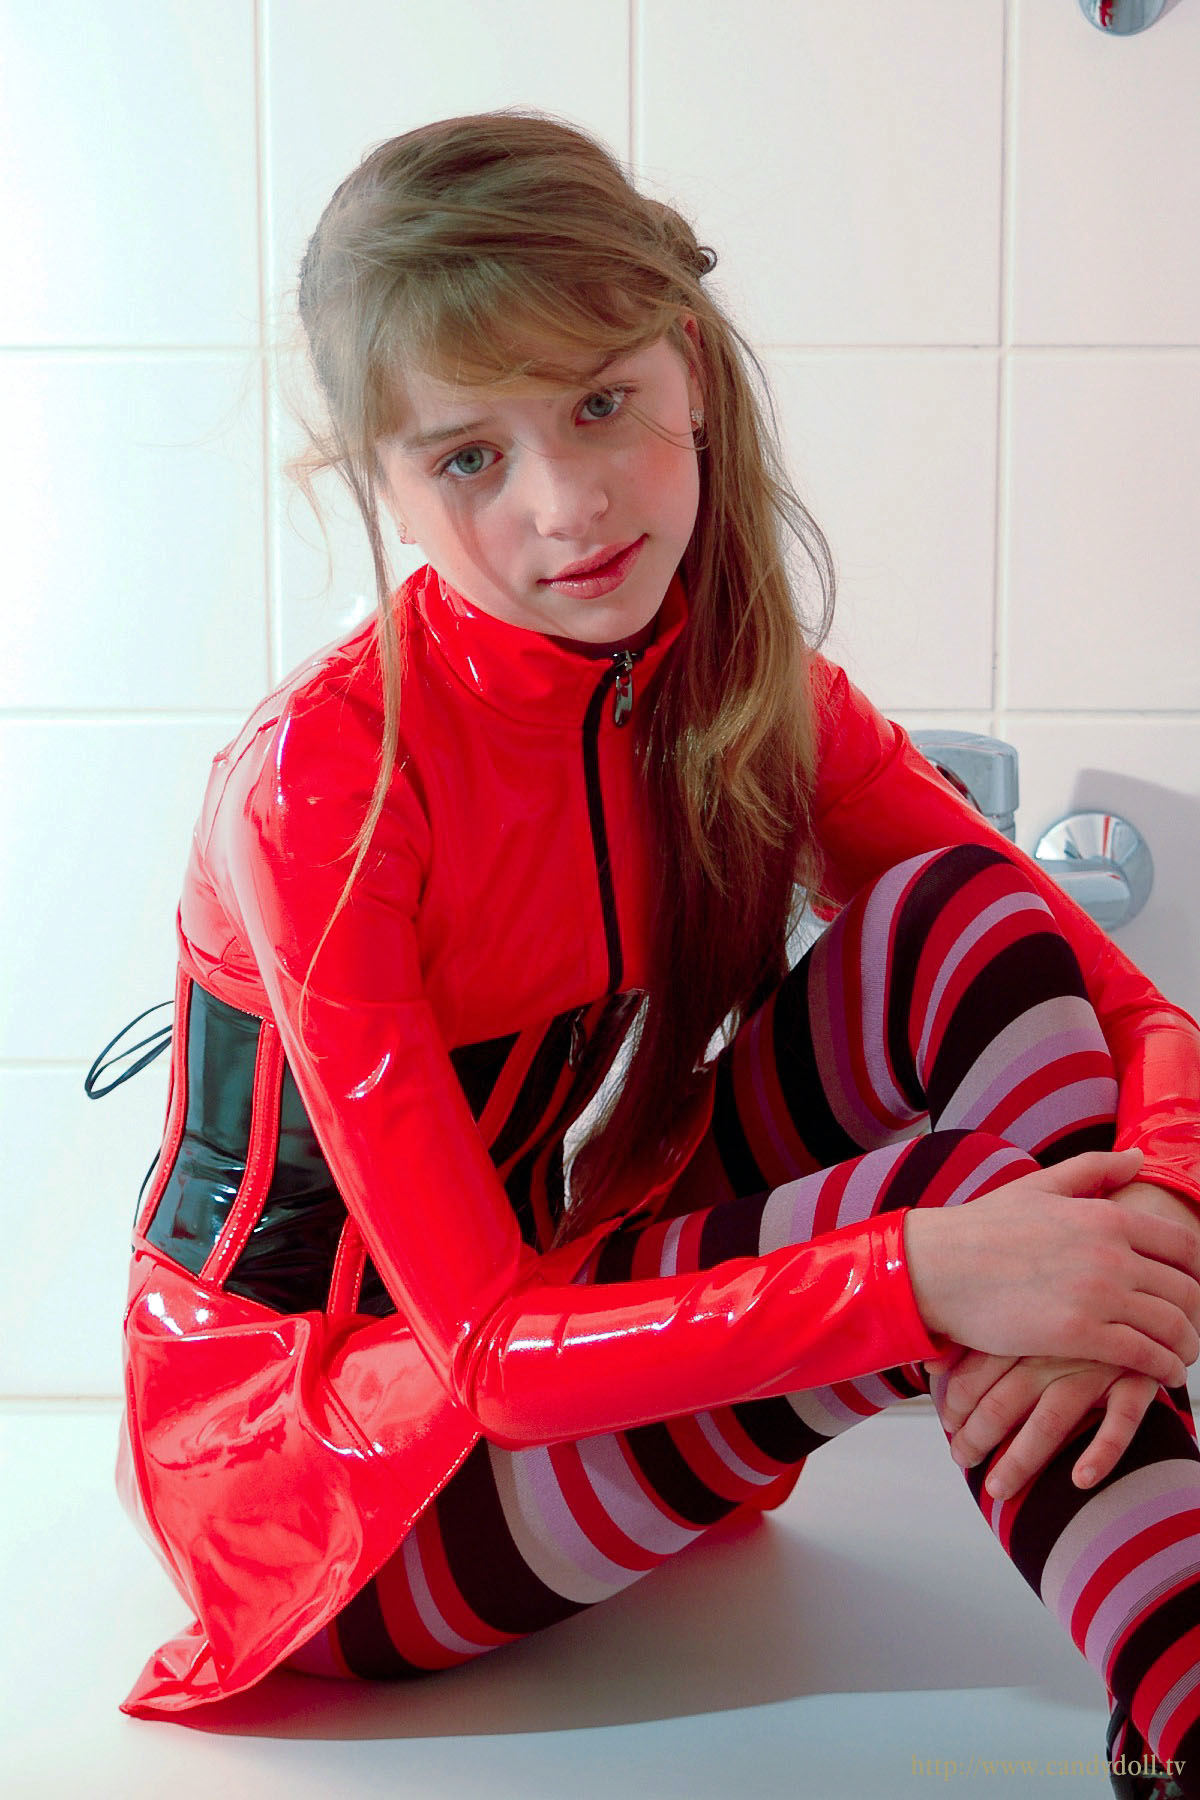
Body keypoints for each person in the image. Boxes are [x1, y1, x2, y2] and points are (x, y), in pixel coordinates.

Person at [86, 109, 1200, 1798]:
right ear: (379, 484)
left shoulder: (742, 687)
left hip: (570, 1333)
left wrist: (1144, 1229)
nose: (568, 505)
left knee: (964, 919)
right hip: (333, 1477)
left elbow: (1128, 1010)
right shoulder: (326, 784)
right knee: (958, 1209)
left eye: (599, 402)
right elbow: (484, 1358)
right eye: (469, 458)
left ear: (686, 360)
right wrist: (935, 1272)